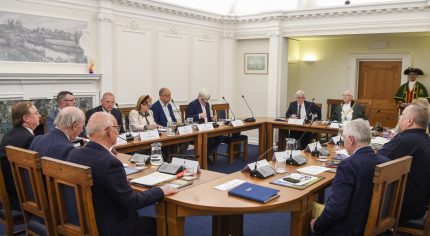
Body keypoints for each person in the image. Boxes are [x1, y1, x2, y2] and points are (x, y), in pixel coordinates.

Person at [66, 112, 177, 236]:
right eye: (116, 128)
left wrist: (120, 180)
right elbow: (131, 202)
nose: (118, 132)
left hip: (82, 221)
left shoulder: (74, 153)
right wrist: (160, 191)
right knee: (164, 225)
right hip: (113, 227)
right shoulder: (110, 163)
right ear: (109, 131)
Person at [310, 119, 388, 235]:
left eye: (344, 138)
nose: (343, 141)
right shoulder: (385, 162)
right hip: (378, 225)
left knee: (310, 216)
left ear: (351, 140)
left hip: (350, 229)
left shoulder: (348, 166)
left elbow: (336, 211)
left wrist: (316, 225)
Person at [378, 102, 430, 224]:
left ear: (410, 121)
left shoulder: (405, 140)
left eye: (402, 115)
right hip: (419, 205)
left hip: (399, 208)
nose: (399, 118)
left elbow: (375, 161)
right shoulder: (425, 139)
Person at [0, 101, 40, 211]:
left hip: (10, 192)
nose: (39, 116)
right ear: (26, 118)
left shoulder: (8, 135)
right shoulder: (28, 138)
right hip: (21, 198)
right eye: (36, 113)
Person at [186, 88, 223, 156]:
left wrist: (212, 117)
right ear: (199, 97)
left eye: (207, 99)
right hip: (198, 130)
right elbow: (188, 118)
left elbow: (208, 117)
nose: (206, 101)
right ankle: (205, 156)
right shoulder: (193, 104)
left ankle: (206, 154)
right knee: (211, 139)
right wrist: (199, 115)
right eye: (204, 99)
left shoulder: (207, 104)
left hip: (207, 128)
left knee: (220, 136)